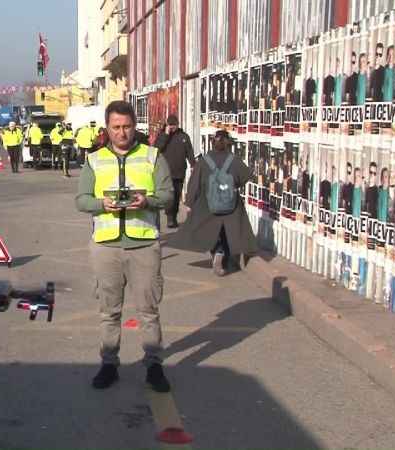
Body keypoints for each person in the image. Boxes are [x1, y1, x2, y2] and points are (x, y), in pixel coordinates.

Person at [75, 100, 174, 392]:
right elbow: (81, 200)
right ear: (108, 128)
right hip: (106, 247)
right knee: (109, 310)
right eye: (116, 127)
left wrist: (148, 201)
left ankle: (154, 365)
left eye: (127, 126)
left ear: (135, 126)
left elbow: (168, 195)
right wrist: (100, 204)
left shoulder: (153, 156)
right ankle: (109, 364)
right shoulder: (93, 160)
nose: (122, 133)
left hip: (143, 244)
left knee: (148, 309)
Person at [180, 129, 258, 276]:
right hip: (230, 204)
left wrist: (189, 203)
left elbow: (194, 183)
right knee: (226, 231)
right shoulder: (233, 160)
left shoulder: (204, 161)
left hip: (208, 203)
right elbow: (247, 176)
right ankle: (224, 257)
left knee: (211, 230)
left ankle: (217, 251)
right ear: (228, 143)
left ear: (212, 143)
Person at [154, 114, 196, 230]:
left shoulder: (184, 137)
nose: (172, 127)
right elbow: (156, 149)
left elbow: (189, 152)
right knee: (169, 197)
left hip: (179, 172)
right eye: (170, 125)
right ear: (167, 125)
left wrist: (193, 164)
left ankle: (173, 217)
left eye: (174, 125)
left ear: (178, 125)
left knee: (176, 196)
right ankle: (170, 218)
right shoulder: (163, 136)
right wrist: (166, 135)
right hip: (166, 173)